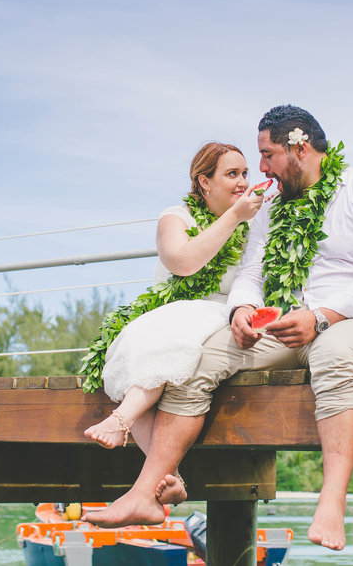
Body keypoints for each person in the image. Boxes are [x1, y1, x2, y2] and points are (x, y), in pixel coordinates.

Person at [84, 105, 353, 553]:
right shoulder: (270, 205)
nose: (260, 168)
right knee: (199, 357)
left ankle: (331, 502)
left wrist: (322, 317)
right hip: (285, 324)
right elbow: (252, 270)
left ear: (299, 146)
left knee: (335, 354)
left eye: (267, 154)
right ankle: (145, 493)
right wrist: (242, 308)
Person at [81, 142, 264, 484]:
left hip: (221, 313)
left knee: (178, 336)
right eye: (231, 174)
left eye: (244, 173)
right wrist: (234, 215)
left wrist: (242, 217)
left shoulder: (256, 226)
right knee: (157, 340)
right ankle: (169, 478)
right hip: (169, 312)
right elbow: (183, 263)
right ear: (204, 181)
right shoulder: (176, 217)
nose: (242, 182)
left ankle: (124, 425)